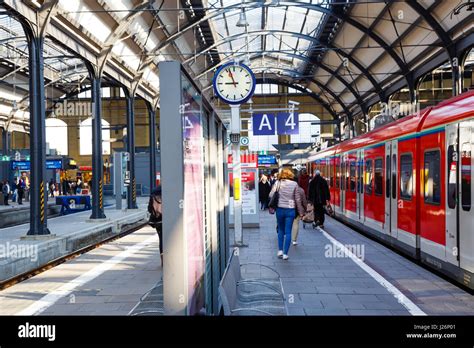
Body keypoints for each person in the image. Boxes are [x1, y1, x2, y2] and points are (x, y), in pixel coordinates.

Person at [269, 168, 305, 260]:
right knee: (288, 231)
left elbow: (270, 195)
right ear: (290, 175)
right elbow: (297, 200)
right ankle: (285, 254)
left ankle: (280, 250)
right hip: (290, 210)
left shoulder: (277, 183)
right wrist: (301, 212)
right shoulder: (294, 184)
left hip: (280, 210)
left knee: (281, 230)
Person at [148, 186, 163, 266]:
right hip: (168, 219)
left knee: (161, 239)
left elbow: (149, 209)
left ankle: (162, 260)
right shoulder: (169, 192)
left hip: (157, 220)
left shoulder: (153, 193)